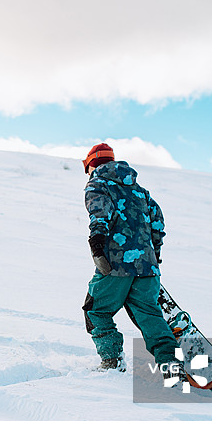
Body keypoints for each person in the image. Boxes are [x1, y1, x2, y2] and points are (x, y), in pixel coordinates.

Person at [81, 143, 179, 373]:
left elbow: (100, 215)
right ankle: (172, 366)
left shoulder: (97, 184)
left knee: (96, 310)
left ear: (91, 164)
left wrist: (96, 246)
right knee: (151, 316)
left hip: (116, 263)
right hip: (147, 267)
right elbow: (158, 223)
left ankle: (112, 361)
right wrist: (154, 255)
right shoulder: (140, 191)